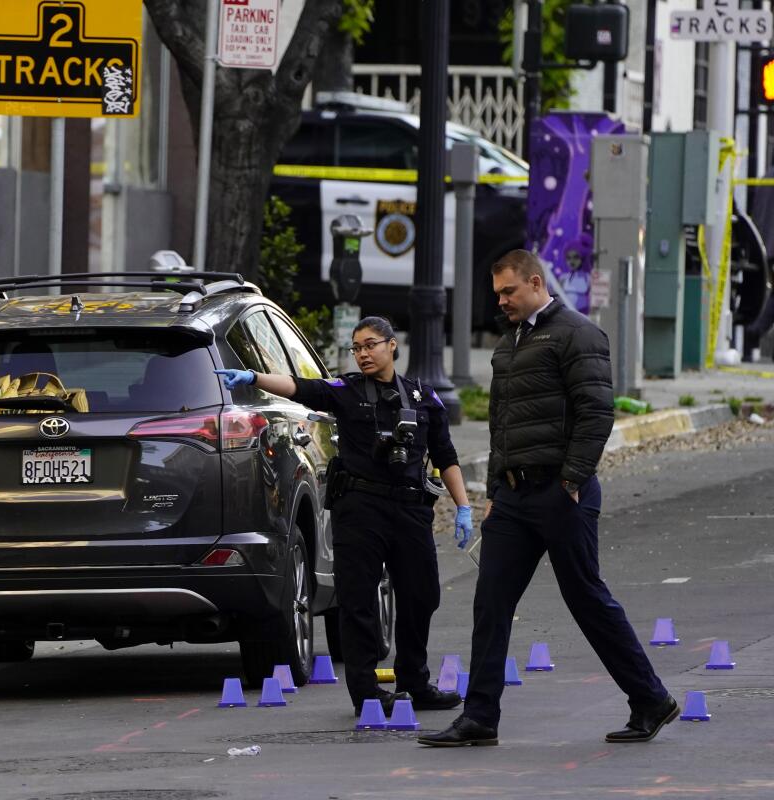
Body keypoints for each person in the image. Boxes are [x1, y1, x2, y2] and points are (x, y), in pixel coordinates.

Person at [419, 250, 677, 749]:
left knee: (586, 598)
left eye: (508, 291)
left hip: (562, 494)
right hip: (513, 498)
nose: (501, 301)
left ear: (535, 283)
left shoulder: (577, 333)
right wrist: (494, 491)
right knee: (490, 601)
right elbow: (501, 426)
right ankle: (479, 717)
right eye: (498, 293)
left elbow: (596, 413)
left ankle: (651, 699)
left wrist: (572, 480)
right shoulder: (508, 343)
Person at [215, 316, 474, 717]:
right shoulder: (346, 391)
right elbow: (299, 387)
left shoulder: (423, 397)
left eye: (370, 345)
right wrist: (253, 377)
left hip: (409, 510)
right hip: (361, 510)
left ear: (392, 346)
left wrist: (463, 507)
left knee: (422, 595)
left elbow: (446, 456)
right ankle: (366, 692)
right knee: (358, 602)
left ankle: (414, 681)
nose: (363, 354)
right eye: (357, 348)